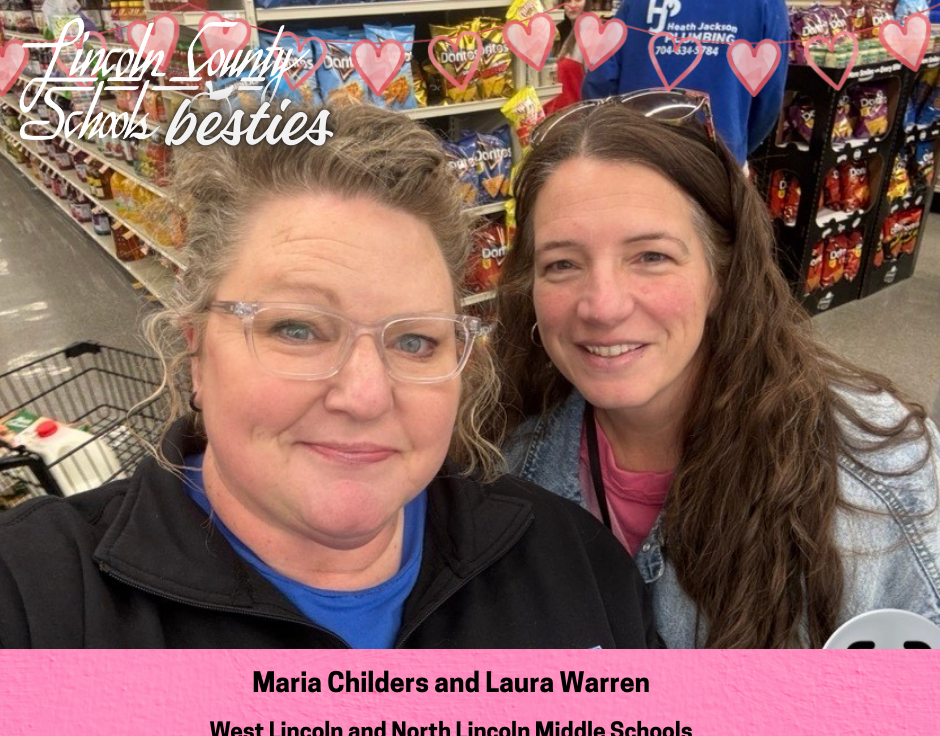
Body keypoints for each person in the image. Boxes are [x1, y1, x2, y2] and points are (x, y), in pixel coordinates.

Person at [0, 102, 659, 653]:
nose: (365, 396)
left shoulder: (573, 568)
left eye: (414, 340)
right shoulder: (42, 606)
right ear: (195, 352)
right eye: (298, 330)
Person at [489, 99, 940, 736]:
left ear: (723, 273)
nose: (602, 303)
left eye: (651, 256)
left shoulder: (878, 480)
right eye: (562, 265)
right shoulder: (509, 468)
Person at [581, 0, 789, 162]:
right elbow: (769, 99)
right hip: (717, 160)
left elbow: (601, 81)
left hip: (638, 153)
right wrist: (736, 144)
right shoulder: (766, 4)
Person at [543, 0, 592, 116]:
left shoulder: (590, 34)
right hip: (560, 114)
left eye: (578, 0)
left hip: (577, 116)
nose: (572, 5)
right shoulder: (565, 33)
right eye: (568, 1)